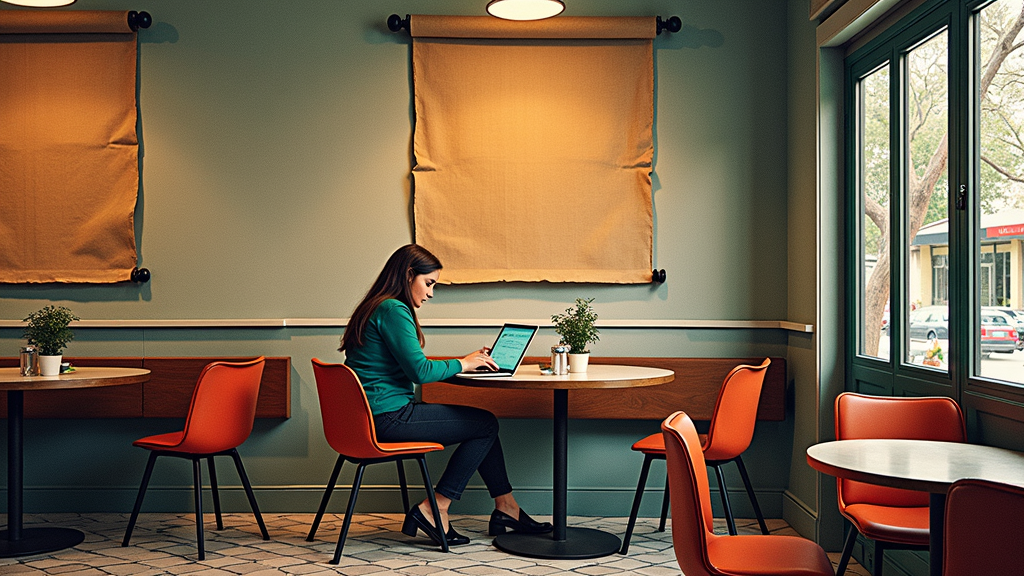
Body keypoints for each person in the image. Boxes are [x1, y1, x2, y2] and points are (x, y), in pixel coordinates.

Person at [340, 243, 552, 546]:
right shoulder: (393, 309)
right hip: (387, 418)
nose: (430, 293)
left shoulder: (376, 305)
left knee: (483, 424)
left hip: (368, 418)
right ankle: (435, 508)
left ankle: (506, 508)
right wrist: (464, 363)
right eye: (429, 283)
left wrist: (465, 361)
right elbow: (420, 373)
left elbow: (416, 367)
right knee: (485, 424)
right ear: (409, 274)